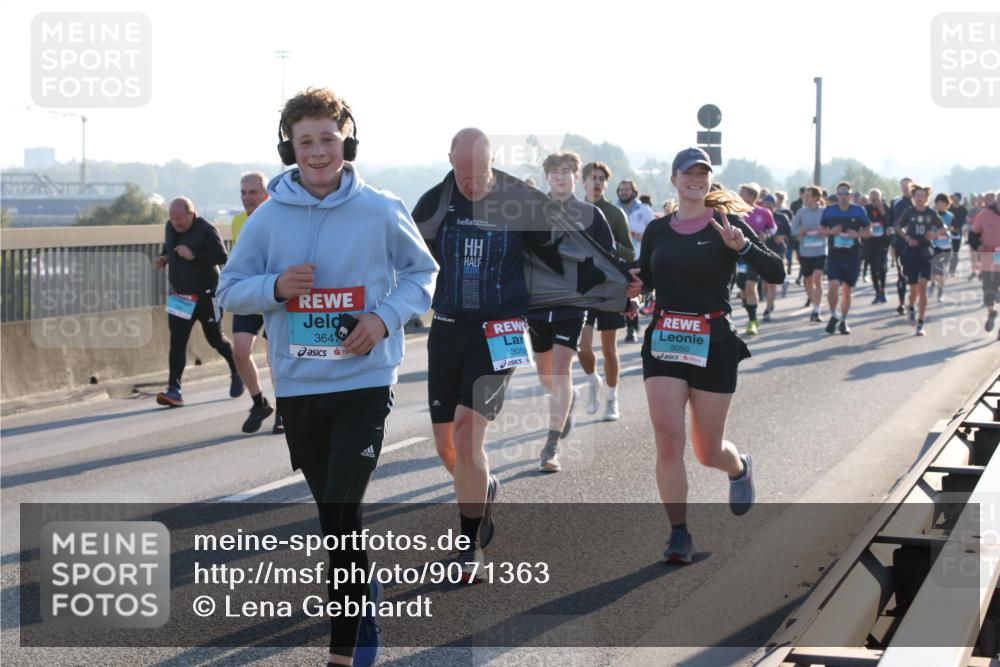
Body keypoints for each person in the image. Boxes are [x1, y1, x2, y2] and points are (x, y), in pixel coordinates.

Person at [216, 87, 438, 667]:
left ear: (348, 142)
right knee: (333, 519)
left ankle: (346, 651)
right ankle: (363, 601)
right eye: (305, 141)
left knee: (342, 514)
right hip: (300, 386)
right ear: (289, 147)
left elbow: (422, 273)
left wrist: (385, 317)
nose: (318, 151)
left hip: (365, 382)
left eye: (328, 139)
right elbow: (227, 290)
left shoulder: (381, 208)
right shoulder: (267, 218)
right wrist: (274, 288)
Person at [413, 129, 639, 577]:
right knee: (447, 446)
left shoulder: (521, 201)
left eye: (479, 174)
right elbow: (405, 257)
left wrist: (618, 288)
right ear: (450, 162)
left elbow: (569, 253)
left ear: (494, 162)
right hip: (447, 328)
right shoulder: (435, 201)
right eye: (463, 174)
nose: (471, 184)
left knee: (466, 432)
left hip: (502, 328)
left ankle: (469, 547)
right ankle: (483, 487)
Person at [637, 148, 785, 563]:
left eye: (703, 173)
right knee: (668, 438)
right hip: (666, 339)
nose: (695, 179)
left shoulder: (728, 225)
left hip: (713, 341)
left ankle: (738, 467)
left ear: (709, 180)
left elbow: (776, 272)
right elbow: (645, 278)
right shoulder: (657, 230)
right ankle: (679, 534)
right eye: (688, 173)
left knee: (707, 451)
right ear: (674, 179)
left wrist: (743, 249)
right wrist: (632, 287)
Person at [528, 151, 616, 471]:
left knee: (562, 367)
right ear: (546, 177)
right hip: (538, 306)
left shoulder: (591, 215)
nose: (560, 177)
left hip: (573, 304)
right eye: (554, 172)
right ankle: (569, 401)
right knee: (545, 373)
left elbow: (608, 257)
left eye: (566, 172)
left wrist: (597, 290)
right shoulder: (533, 213)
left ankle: (550, 447)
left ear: (576, 177)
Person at [153, 197, 242, 407]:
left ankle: (237, 371)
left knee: (215, 339)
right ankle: (174, 390)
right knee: (177, 342)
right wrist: (163, 257)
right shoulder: (169, 227)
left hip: (207, 295)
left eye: (180, 219)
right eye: (172, 218)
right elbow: (170, 247)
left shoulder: (205, 229)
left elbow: (222, 256)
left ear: (191, 214)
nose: (176, 223)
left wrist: (193, 255)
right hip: (180, 296)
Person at [229, 171, 284, 434]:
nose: (247, 198)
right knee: (239, 350)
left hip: (275, 294)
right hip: (249, 293)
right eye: (243, 192)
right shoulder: (238, 221)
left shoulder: (280, 218)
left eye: (252, 192)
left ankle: (284, 408)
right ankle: (260, 402)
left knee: (275, 357)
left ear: (266, 194)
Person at [580, 161, 635, 421]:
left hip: (610, 288)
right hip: (581, 288)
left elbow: (629, 251)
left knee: (609, 349)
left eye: (602, 178)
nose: (598, 182)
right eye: (592, 178)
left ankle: (612, 400)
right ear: (583, 182)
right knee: (583, 348)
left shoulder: (614, 214)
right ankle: (593, 380)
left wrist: (608, 248)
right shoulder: (572, 211)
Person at [821, 182, 871, 335]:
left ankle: (843, 320)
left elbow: (869, 231)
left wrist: (857, 235)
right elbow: (821, 230)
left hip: (852, 256)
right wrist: (831, 232)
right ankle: (834, 314)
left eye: (846, 193)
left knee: (847, 291)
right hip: (835, 255)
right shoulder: (829, 211)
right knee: (833, 286)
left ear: (851, 195)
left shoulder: (858, 210)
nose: (843, 196)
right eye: (840, 193)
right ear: (837, 196)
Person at [898, 184, 945, 336]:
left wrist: (934, 234)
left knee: (923, 286)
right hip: (911, 252)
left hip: (926, 251)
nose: (919, 198)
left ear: (926, 198)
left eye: (922, 195)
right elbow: (899, 227)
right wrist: (907, 237)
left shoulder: (931, 212)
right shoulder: (908, 211)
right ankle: (911, 306)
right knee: (914, 289)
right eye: (917, 195)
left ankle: (920, 323)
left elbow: (943, 227)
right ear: (913, 197)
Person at [736, 182, 776, 335]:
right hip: (740, 257)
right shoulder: (736, 212)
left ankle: (752, 321)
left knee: (750, 286)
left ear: (752, 196)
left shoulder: (764, 212)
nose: (740, 196)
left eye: (743, 193)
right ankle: (751, 316)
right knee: (743, 288)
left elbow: (773, 229)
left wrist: (766, 235)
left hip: (756, 255)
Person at [618, 179, 655, 342]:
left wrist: (640, 237)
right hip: (619, 258)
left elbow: (654, 232)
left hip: (639, 257)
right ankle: (629, 325)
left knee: (634, 292)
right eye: (621, 189)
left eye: (627, 189)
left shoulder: (644, 209)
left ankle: (632, 327)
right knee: (624, 293)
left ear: (634, 191)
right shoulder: (614, 209)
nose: (624, 192)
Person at [791, 186, 828, 322]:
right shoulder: (801, 212)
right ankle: (814, 304)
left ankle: (817, 310)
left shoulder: (825, 212)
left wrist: (824, 231)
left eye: (807, 196)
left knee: (818, 277)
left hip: (820, 251)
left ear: (816, 198)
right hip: (805, 251)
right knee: (808, 281)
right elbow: (793, 230)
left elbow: (829, 229)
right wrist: (800, 231)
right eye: (804, 195)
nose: (804, 198)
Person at [971, 196, 1000, 336]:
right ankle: (991, 312)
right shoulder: (984, 214)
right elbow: (973, 235)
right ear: (996, 202)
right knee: (988, 292)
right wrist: (978, 245)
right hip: (989, 259)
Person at [759, 194, 790, 319]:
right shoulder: (760, 217)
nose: (767, 207)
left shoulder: (782, 217)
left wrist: (782, 237)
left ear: (774, 205)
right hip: (762, 252)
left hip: (777, 252)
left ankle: (767, 309)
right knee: (765, 283)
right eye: (765, 204)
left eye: (770, 204)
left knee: (771, 282)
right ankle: (770, 302)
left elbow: (789, 232)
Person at [890, 177, 914, 314]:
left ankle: (912, 301)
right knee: (901, 275)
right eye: (903, 185)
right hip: (900, 243)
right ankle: (901, 303)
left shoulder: (918, 202)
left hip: (916, 244)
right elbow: (892, 220)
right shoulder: (897, 203)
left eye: (908, 185)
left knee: (913, 276)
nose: (905, 188)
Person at [863, 189, 892, 304]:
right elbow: (862, 223)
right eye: (872, 199)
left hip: (882, 243)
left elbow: (890, 223)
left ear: (881, 198)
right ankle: (877, 293)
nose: (875, 202)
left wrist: (882, 211)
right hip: (870, 243)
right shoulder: (866, 210)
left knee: (881, 267)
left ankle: (883, 290)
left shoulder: (885, 208)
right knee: (873, 268)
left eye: (877, 199)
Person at [931, 193, 955, 302]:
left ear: (947, 204)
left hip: (946, 246)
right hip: (934, 246)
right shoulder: (931, 215)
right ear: (935, 204)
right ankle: (932, 283)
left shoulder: (950, 216)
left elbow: (955, 228)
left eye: (943, 203)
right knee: (933, 272)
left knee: (941, 271)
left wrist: (948, 229)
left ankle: (940, 293)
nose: (941, 205)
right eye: (938, 203)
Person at [949, 193, 968, 277]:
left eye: (956, 198)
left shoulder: (963, 209)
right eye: (953, 198)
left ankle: (952, 270)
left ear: (959, 199)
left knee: (955, 252)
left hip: (958, 232)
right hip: (948, 232)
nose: (955, 199)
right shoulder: (948, 208)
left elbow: (965, 221)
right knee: (947, 252)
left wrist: (964, 232)